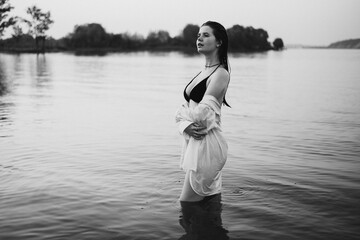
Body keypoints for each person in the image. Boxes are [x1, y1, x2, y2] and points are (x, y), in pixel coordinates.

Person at [175, 21, 230, 202]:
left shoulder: (220, 74)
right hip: (197, 142)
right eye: (199, 35)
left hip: (207, 145)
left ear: (219, 42)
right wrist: (184, 123)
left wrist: (181, 119)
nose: (199, 38)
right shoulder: (203, 72)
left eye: (206, 35)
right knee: (208, 203)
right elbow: (190, 109)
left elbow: (202, 116)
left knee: (186, 204)